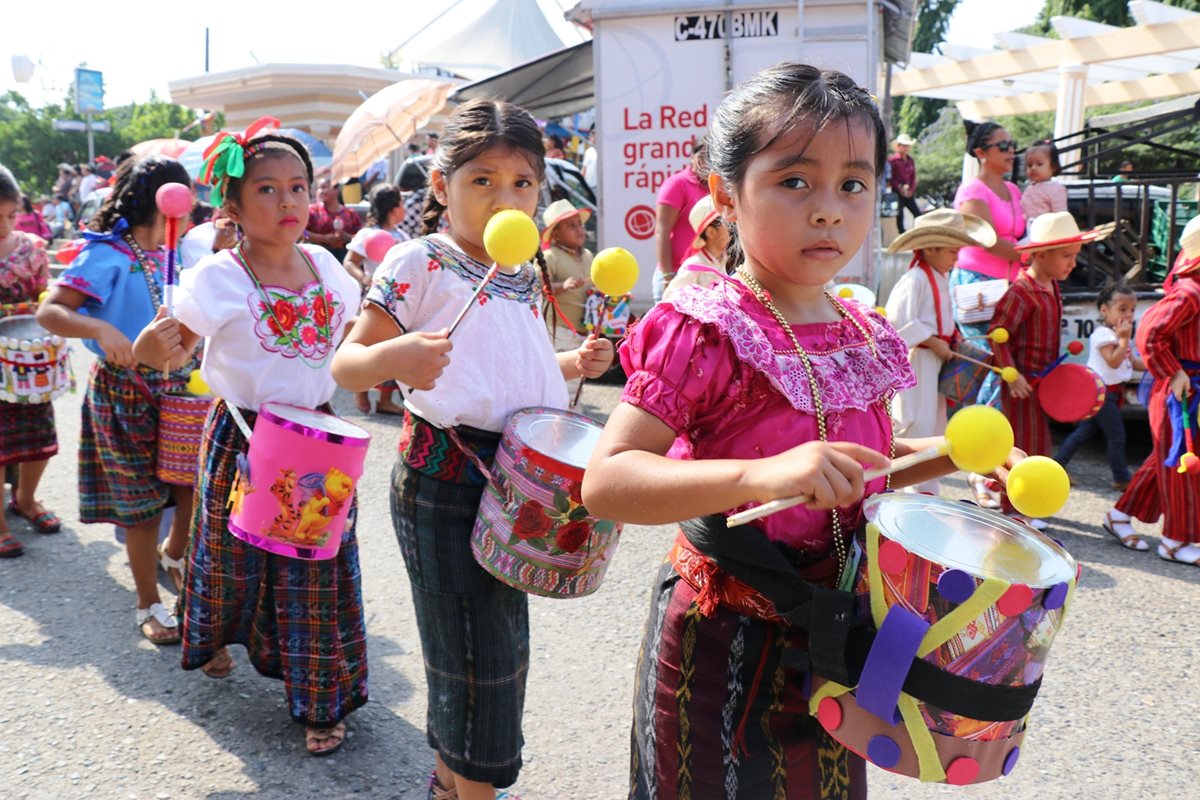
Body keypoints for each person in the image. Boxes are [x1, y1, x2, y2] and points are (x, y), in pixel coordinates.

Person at [581, 63, 1017, 800]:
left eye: (853, 183)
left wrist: (953, 455)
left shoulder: (860, 329)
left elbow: (856, 468)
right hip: (723, 641)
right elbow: (607, 481)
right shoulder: (707, 328)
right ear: (724, 196)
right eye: (794, 181)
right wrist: (764, 474)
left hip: (839, 641)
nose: (828, 210)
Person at [331, 98, 614, 799]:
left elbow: (511, 365)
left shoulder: (525, 269)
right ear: (440, 187)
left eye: (521, 183)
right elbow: (347, 364)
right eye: (482, 180)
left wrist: (573, 365)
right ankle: (468, 784)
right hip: (444, 479)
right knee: (470, 655)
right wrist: (396, 356)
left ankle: (450, 780)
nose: (503, 198)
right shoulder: (419, 260)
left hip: (519, 481)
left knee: (501, 653)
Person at [131, 122, 369, 754]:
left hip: (319, 441)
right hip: (243, 437)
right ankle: (211, 641)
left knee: (318, 572)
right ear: (231, 207)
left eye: (298, 187)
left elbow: (353, 337)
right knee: (230, 562)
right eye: (267, 189)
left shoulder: (326, 265)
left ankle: (323, 700)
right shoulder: (216, 277)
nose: (288, 201)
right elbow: (162, 350)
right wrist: (151, 344)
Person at [37, 155, 197, 644]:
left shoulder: (186, 252)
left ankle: (175, 554)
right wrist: (100, 327)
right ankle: (147, 600)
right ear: (165, 201)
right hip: (122, 391)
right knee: (141, 504)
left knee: (190, 485)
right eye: (186, 198)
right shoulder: (107, 253)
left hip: (183, 389)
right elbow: (51, 312)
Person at [989, 212, 1113, 525]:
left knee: (1040, 443)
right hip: (1022, 384)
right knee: (1020, 444)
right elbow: (998, 334)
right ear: (1040, 255)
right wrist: (1011, 375)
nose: (1073, 263)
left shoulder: (1051, 286)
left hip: (1041, 382)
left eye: (1074, 256)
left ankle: (1026, 501)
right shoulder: (1022, 290)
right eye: (1066, 256)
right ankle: (1014, 507)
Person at [885, 209, 997, 494]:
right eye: (952, 251)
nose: (956, 258)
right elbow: (898, 322)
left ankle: (927, 489)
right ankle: (907, 489)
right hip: (919, 359)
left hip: (935, 358)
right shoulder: (914, 279)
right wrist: (933, 340)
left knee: (935, 425)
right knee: (916, 423)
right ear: (931, 248)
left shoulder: (939, 277)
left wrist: (951, 339)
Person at [1111, 216, 1200, 565]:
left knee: (1165, 458)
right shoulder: (1192, 292)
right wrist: (1172, 370)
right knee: (1182, 464)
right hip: (1180, 389)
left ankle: (1119, 515)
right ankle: (1176, 541)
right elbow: (1148, 332)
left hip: (1187, 386)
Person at [954, 121, 1026, 502]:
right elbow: (984, 239)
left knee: (1000, 370)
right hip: (976, 288)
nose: (1011, 151)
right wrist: (1033, 253)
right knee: (993, 369)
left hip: (1008, 288)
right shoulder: (973, 189)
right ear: (981, 152)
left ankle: (985, 458)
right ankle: (979, 460)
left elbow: (1014, 239)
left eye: (1012, 145)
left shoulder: (1014, 189)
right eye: (1003, 145)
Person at [0, 165, 61, 558]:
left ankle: (25, 499)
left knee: (38, 439)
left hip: (30, 359)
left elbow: (47, 298)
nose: (6, 225)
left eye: (10, 215)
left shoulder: (32, 248)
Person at [1054, 284, 1143, 493]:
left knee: (1085, 431)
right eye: (1122, 309)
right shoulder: (1103, 335)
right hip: (1101, 393)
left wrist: (1161, 365)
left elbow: (1133, 362)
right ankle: (1121, 478)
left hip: (1109, 393)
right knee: (1117, 436)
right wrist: (1123, 340)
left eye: (1132, 309)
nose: (1129, 315)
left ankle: (1057, 464)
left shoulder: (1117, 335)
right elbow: (1113, 361)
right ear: (1105, 310)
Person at [343, 182, 410, 415]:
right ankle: (360, 391)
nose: (405, 208)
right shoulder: (367, 234)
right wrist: (364, 278)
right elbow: (350, 261)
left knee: (391, 348)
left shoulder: (402, 235)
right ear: (393, 208)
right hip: (372, 301)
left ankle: (385, 400)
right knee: (366, 344)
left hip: (397, 303)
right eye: (402, 203)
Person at [541, 198, 594, 405]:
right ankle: (563, 423)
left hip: (583, 330)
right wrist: (562, 286)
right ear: (555, 234)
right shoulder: (549, 257)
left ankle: (571, 421)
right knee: (562, 383)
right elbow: (536, 288)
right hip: (559, 331)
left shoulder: (589, 256)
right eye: (571, 226)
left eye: (580, 224)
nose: (580, 230)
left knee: (578, 381)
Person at [653, 143, 709, 302]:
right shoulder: (677, 184)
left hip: (703, 279)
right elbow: (661, 232)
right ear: (693, 157)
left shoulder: (716, 188)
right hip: (676, 276)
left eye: (712, 157)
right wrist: (668, 276)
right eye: (702, 155)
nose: (706, 161)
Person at [661, 195, 729, 300]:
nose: (733, 229)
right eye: (727, 225)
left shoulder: (729, 262)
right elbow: (670, 296)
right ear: (711, 232)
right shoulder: (695, 264)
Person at [305, 176, 361, 263]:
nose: (320, 192)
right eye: (318, 189)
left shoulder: (350, 214)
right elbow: (302, 233)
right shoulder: (312, 211)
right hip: (318, 258)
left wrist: (347, 237)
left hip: (344, 258)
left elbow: (360, 237)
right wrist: (324, 238)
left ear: (336, 189)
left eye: (323, 187)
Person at [1021, 139, 1067, 222]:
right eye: (1029, 165)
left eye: (1039, 164)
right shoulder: (1030, 187)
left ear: (1053, 167)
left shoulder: (1056, 189)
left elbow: (1061, 215)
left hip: (1048, 230)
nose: (1033, 168)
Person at [887, 133, 922, 233]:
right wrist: (899, 187)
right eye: (904, 145)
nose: (906, 148)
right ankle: (902, 234)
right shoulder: (893, 161)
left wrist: (911, 189)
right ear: (898, 146)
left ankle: (917, 233)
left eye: (907, 146)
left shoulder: (911, 160)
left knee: (917, 213)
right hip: (898, 191)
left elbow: (913, 177)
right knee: (900, 214)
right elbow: (891, 178)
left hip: (909, 192)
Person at [581, 126, 598, 193]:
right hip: (588, 186)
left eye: (594, 133)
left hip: (599, 186)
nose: (592, 136)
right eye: (591, 133)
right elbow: (584, 169)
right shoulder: (588, 151)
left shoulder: (605, 150)